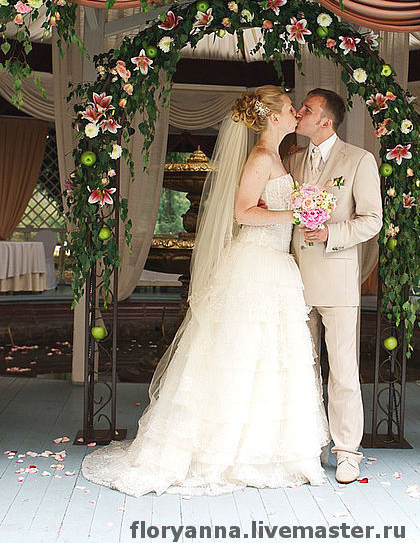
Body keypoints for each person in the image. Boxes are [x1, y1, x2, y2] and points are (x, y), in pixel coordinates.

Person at [81, 85, 329, 497]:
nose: (294, 113)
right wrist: (296, 211)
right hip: (256, 264)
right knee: (242, 356)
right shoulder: (261, 157)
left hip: (275, 264)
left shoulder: (276, 157)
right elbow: (242, 212)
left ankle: (267, 450)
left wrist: (298, 209)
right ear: (272, 116)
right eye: (289, 108)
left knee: (269, 358)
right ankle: (225, 452)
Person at [285, 88, 382, 485]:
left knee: (342, 371)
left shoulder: (359, 160)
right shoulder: (291, 160)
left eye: (306, 109)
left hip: (337, 279)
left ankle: (346, 452)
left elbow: (372, 220)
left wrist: (331, 233)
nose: (298, 112)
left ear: (325, 121)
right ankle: (307, 446)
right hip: (292, 280)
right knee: (301, 369)